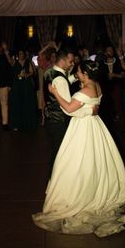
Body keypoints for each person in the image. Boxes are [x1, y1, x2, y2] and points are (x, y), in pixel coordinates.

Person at [33, 60, 125, 237]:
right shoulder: (96, 85)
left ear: (86, 74)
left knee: (75, 163)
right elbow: (94, 107)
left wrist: (55, 92)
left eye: (79, 72)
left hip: (82, 128)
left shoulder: (84, 91)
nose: (76, 73)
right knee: (97, 161)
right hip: (95, 126)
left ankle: (78, 196)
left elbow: (67, 109)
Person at [42, 48, 75, 176]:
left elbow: (61, 82)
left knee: (56, 149)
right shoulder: (60, 79)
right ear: (62, 61)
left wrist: (75, 77)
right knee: (59, 152)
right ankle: (54, 180)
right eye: (70, 61)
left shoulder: (49, 72)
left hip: (50, 117)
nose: (72, 64)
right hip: (59, 120)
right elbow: (68, 106)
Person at [9, 49, 38, 132]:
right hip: (17, 85)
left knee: (26, 103)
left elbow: (32, 72)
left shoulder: (28, 62)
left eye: (22, 53)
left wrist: (26, 74)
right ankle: (17, 124)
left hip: (26, 85)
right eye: (19, 53)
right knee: (17, 104)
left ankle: (27, 124)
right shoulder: (15, 61)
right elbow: (10, 64)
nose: (20, 55)